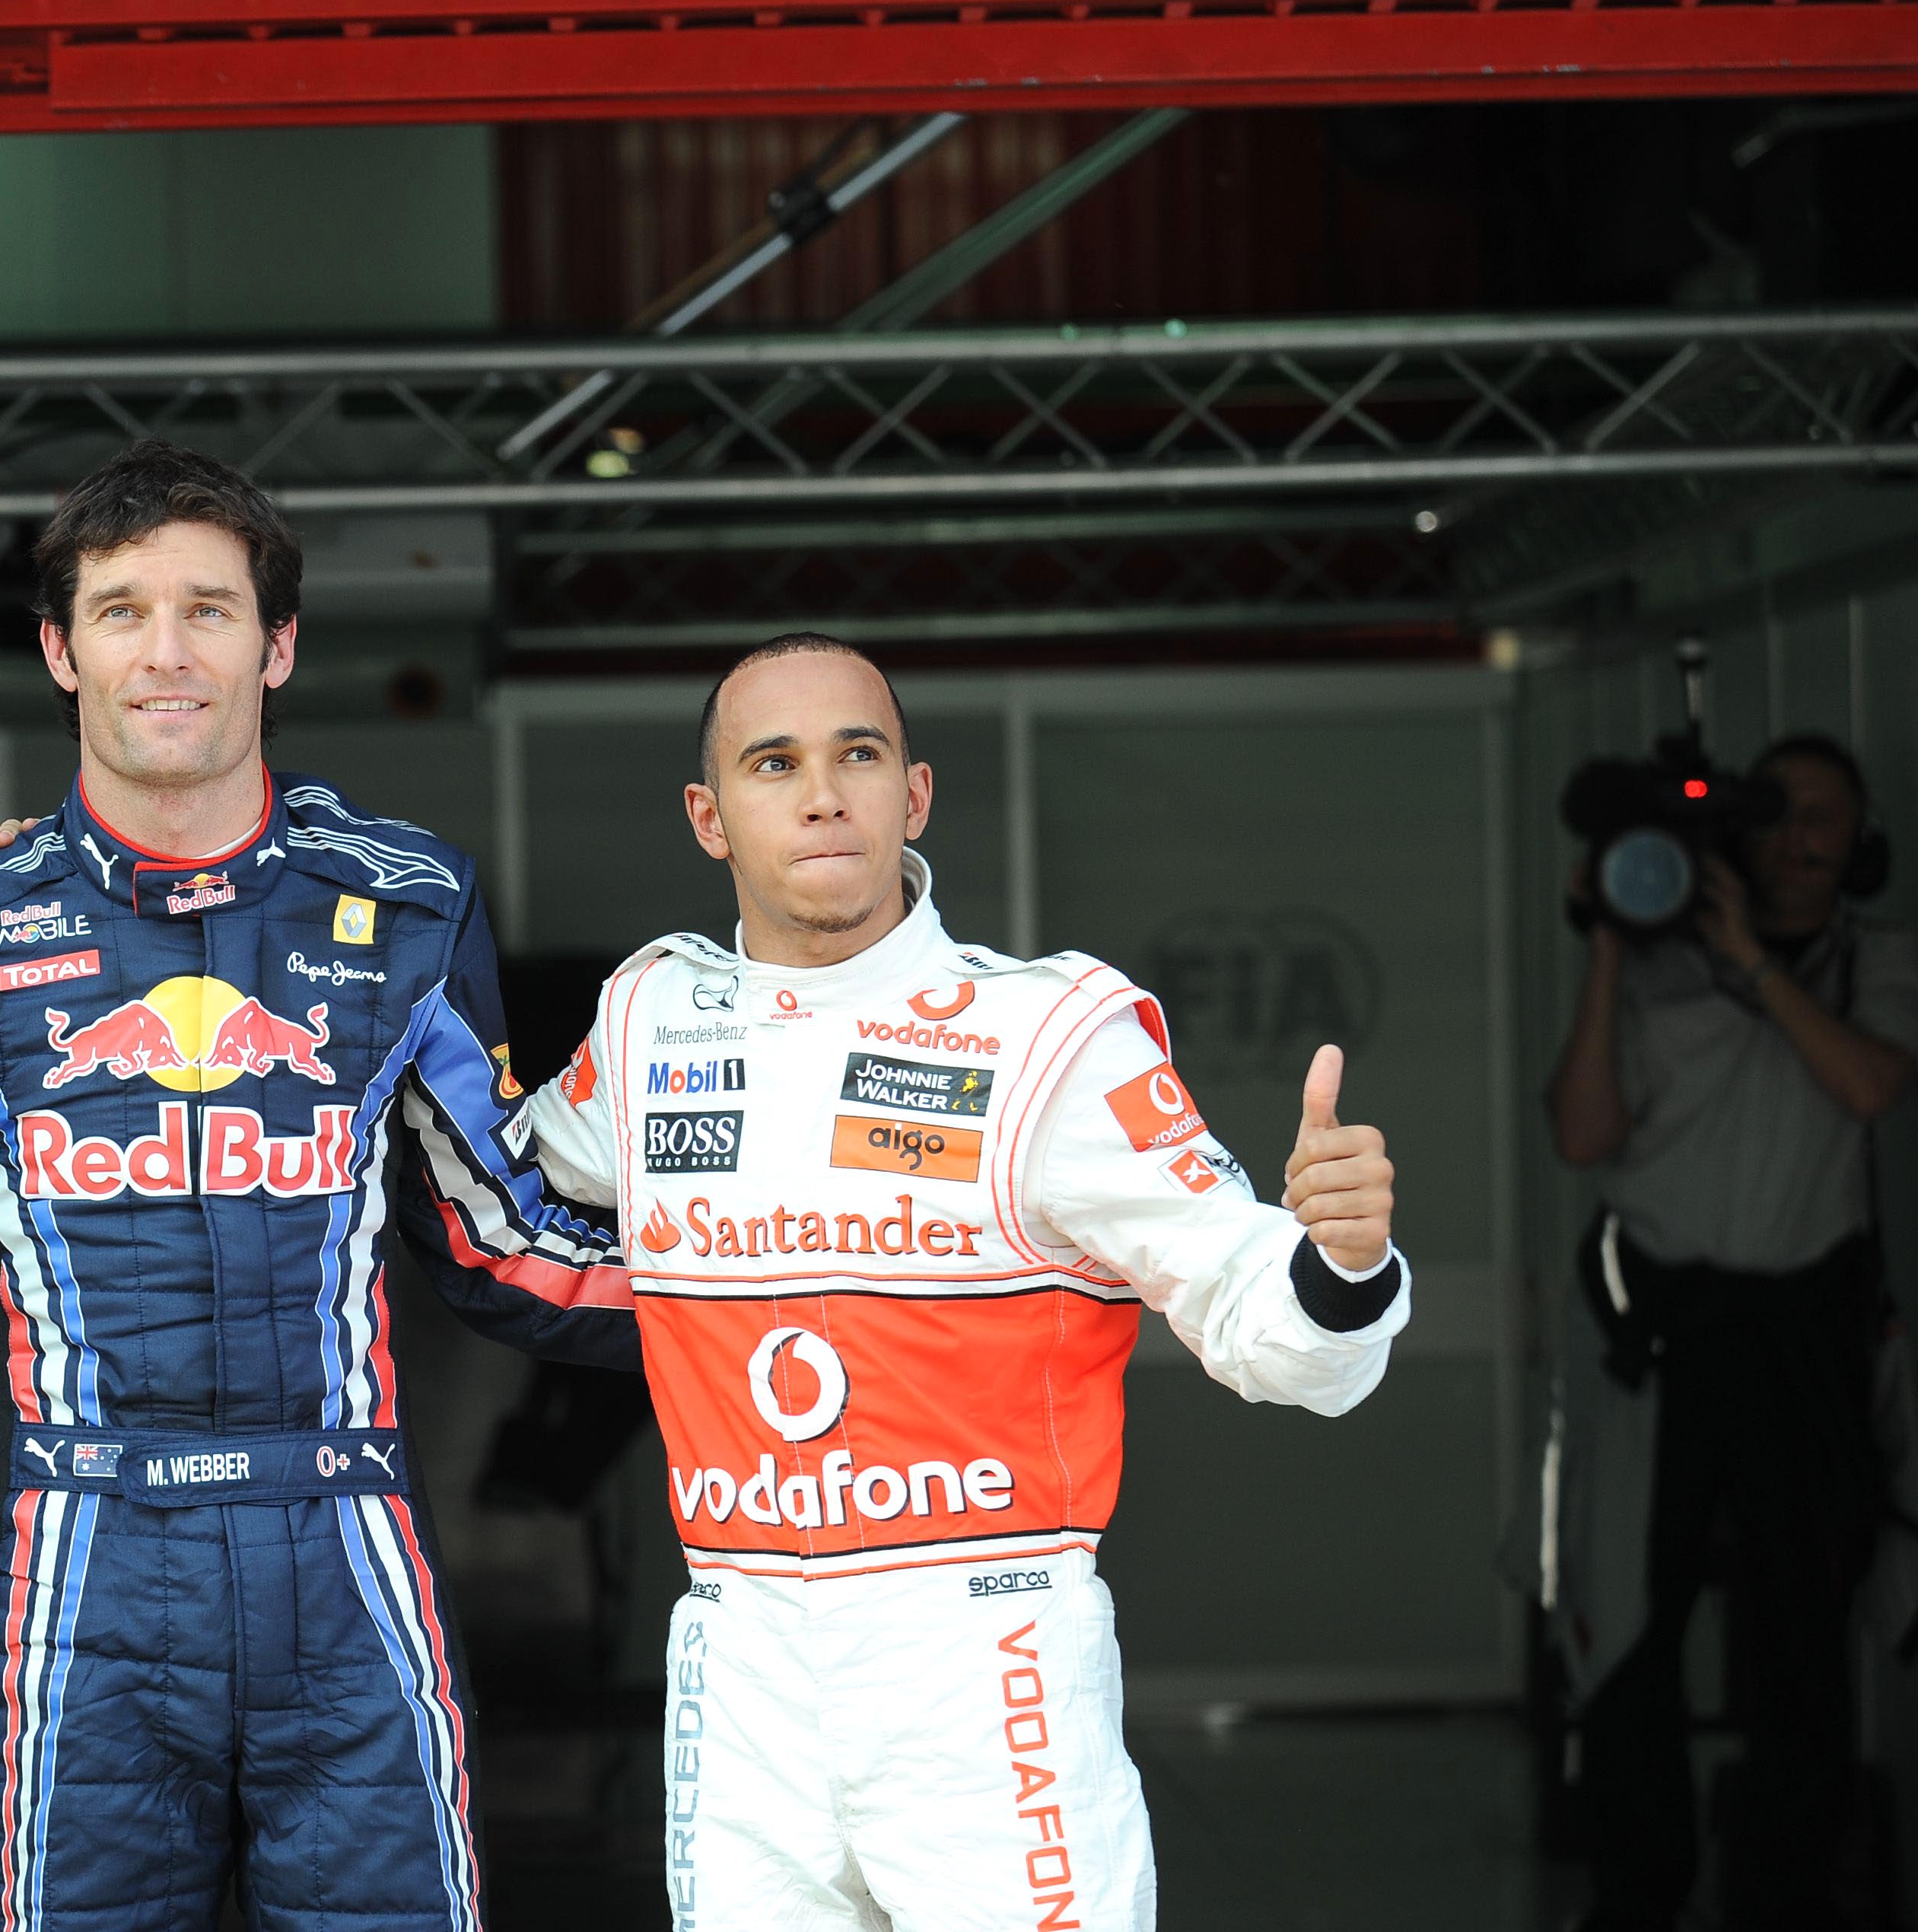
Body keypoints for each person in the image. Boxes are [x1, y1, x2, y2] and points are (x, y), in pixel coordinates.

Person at [0, 438, 639, 1931]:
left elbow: (503, 1239)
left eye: (209, 610)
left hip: (345, 1546)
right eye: (121, 611)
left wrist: (802, 1295)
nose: (165, 651)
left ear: (276, 645)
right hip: (77, 1566)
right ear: (60, 651)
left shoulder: (410, 904)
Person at [518, 631, 1409, 1932]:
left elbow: (1259, 1312)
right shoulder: (652, 1018)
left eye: (858, 756)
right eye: (775, 764)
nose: (823, 796)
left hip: (985, 1660)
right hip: (742, 1654)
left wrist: (1341, 1258)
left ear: (915, 795)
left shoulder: (1049, 1035)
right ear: (709, 819)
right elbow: (496, 1177)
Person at [1541, 733, 1917, 1932]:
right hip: (1660, 1338)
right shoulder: (1657, 966)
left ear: (1860, 846)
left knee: (1803, 1623)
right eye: (1779, 813)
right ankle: (1636, 1885)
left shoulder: (1877, 960)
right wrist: (1611, 946)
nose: (1800, 839)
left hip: (1801, 1339)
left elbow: (1871, 1086)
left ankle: (1788, 1888)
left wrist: (1757, 967)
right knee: (1630, 1621)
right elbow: (1582, 1137)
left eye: (1826, 819)